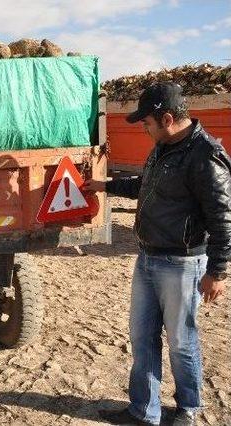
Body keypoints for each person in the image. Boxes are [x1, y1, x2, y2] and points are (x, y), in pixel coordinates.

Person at [84, 82, 229, 426]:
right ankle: (143, 411)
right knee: (141, 335)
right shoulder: (163, 147)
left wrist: (218, 271)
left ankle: (188, 410)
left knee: (181, 340)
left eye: (147, 123)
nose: (144, 130)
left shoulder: (204, 156)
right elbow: (145, 186)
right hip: (147, 259)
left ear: (166, 118)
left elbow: (223, 220)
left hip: (183, 264)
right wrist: (105, 186)